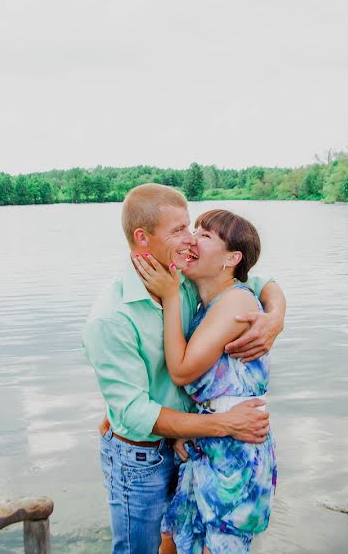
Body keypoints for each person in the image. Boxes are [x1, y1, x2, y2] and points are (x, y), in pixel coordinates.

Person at [82, 184, 286, 554]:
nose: (190, 239)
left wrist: (276, 316)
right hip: (141, 458)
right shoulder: (111, 318)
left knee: (188, 541)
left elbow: (252, 280)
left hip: (194, 446)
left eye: (193, 228)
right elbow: (135, 411)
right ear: (143, 238)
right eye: (180, 230)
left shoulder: (186, 282)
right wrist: (222, 425)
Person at [133, 209, 275, 553]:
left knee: (219, 544)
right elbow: (268, 283)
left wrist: (169, 298)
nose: (192, 239)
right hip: (207, 441)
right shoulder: (206, 301)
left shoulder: (237, 300)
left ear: (232, 259)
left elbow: (182, 370)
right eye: (193, 230)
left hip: (235, 449)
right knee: (176, 538)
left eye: (206, 235)